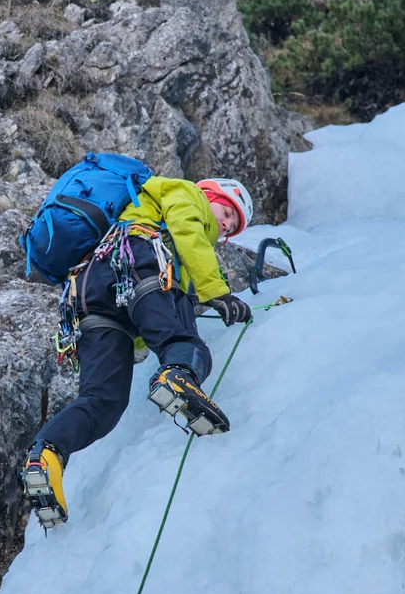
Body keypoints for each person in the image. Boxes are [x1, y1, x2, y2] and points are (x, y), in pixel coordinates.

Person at [21, 176, 255, 528]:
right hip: (139, 256)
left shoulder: (140, 209)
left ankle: (46, 455)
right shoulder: (184, 193)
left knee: (103, 402)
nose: (225, 225)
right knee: (185, 344)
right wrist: (215, 291)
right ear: (209, 192)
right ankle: (179, 377)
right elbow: (188, 233)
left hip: (89, 289)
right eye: (227, 212)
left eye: (231, 227)